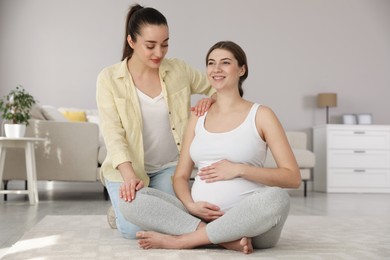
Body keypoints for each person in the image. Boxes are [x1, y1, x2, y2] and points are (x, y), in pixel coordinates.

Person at [118, 41, 301, 254]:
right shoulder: (198, 116)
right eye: (211, 63)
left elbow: (292, 177)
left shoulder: (261, 115)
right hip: (198, 216)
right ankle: (220, 239)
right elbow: (180, 176)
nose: (216, 69)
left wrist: (239, 169)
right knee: (130, 201)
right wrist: (190, 205)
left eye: (225, 63)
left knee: (278, 199)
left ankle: (184, 240)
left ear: (242, 69)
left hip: (251, 225)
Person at [96, 4, 215, 239]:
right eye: (150, 46)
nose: (159, 53)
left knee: (179, 218)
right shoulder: (109, 78)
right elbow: (112, 134)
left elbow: (219, 88)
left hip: (168, 168)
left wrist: (210, 101)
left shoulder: (178, 70)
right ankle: (120, 214)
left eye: (165, 44)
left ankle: (139, 206)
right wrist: (129, 177)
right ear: (131, 42)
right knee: (135, 231)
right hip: (127, 171)